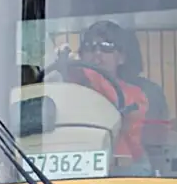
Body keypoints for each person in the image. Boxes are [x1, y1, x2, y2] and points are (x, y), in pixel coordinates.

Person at [51, 21, 167, 172]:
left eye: (106, 47)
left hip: (126, 169)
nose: (97, 53)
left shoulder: (135, 95)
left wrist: (81, 69)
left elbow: (115, 102)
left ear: (121, 58)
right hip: (75, 168)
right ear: (82, 54)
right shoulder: (68, 90)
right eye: (89, 47)